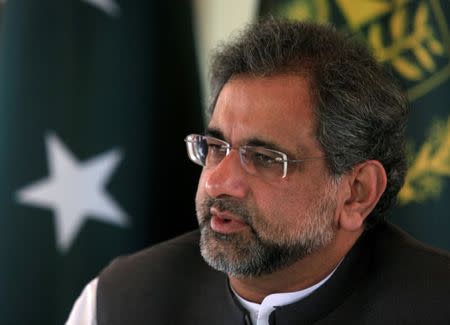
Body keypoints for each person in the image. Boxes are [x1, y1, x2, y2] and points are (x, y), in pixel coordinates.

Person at [66, 19, 450, 325]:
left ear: (357, 193)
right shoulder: (116, 302)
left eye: (265, 157)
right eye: (215, 148)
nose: (217, 181)